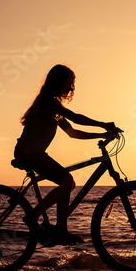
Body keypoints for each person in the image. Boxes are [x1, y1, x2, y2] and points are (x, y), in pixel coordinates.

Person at [14, 64, 115, 245]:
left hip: (32, 153)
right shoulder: (49, 102)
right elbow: (75, 117)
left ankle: (33, 216)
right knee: (67, 181)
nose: (71, 87)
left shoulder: (53, 108)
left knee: (68, 183)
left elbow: (73, 132)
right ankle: (60, 231)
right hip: (29, 154)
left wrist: (101, 135)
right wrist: (104, 124)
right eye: (69, 82)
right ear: (58, 81)